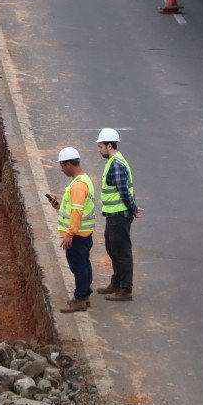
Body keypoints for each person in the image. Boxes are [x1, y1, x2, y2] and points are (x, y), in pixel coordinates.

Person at [47, 147, 96, 313]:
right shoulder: (83, 180)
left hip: (77, 236)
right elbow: (72, 209)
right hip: (83, 234)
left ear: (69, 164)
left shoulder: (78, 186)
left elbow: (76, 212)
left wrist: (69, 234)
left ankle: (80, 299)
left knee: (79, 267)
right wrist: (58, 206)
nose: (61, 169)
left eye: (62, 165)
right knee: (84, 265)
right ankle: (85, 294)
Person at [95, 128, 141, 301]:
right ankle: (116, 282)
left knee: (122, 251)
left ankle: (125, 289)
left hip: (119, 215)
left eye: (100, 146)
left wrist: (132, 209)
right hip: (113, 215)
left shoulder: (116, 164)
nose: (98, 149)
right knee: (112, 247)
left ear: (109, 145)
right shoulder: (113, 161)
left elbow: (123, 190)